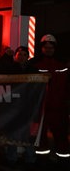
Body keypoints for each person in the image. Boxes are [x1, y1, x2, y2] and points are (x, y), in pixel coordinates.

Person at [28, 34, 69, 166]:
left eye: (51, 47)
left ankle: (63, 158)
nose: (48, 49)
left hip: (60, 106)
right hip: (42, 107)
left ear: (55, 48)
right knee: (41, 135)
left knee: (61, 134)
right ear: (42, 48)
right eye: (46, 47)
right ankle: (42, 158)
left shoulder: (64, 63)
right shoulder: (34, 64)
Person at [0, 46, 38, 167]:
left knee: (27, 133)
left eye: (24, 55)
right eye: (19, 54)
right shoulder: (10, 68)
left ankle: (30, 158)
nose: (22, 57)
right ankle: (11, 157)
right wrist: (5, 56)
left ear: (28, 57)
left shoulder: (33, 69)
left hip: (27, 106)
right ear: (15, 56)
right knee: (12, 132)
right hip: (12, 106)